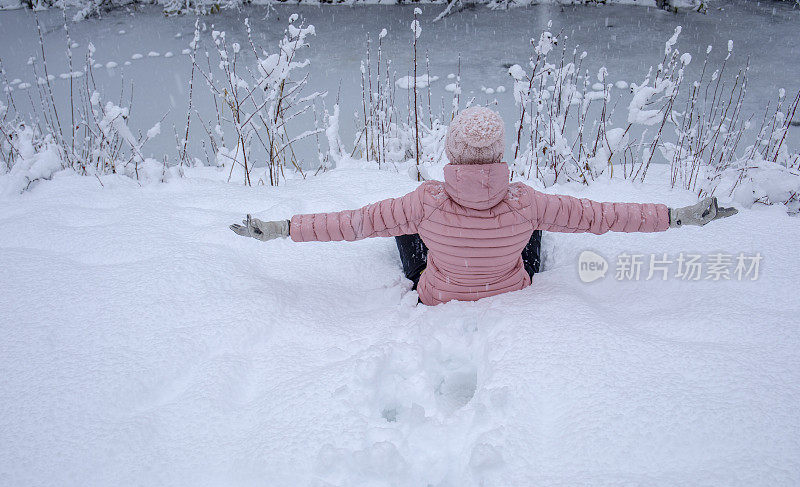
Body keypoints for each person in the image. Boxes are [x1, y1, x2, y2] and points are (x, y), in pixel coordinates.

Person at [230, 107, 737, 306]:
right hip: (510, 283)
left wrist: (280, 228)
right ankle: (498, 258)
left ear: (452, 153)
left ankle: (457, 260)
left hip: (438, 290)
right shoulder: (525, 200)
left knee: (398, 223)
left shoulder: (426, 199)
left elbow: (352, 223)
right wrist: (682, 216)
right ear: (499, 155)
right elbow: (606, 216)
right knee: (537, 221)